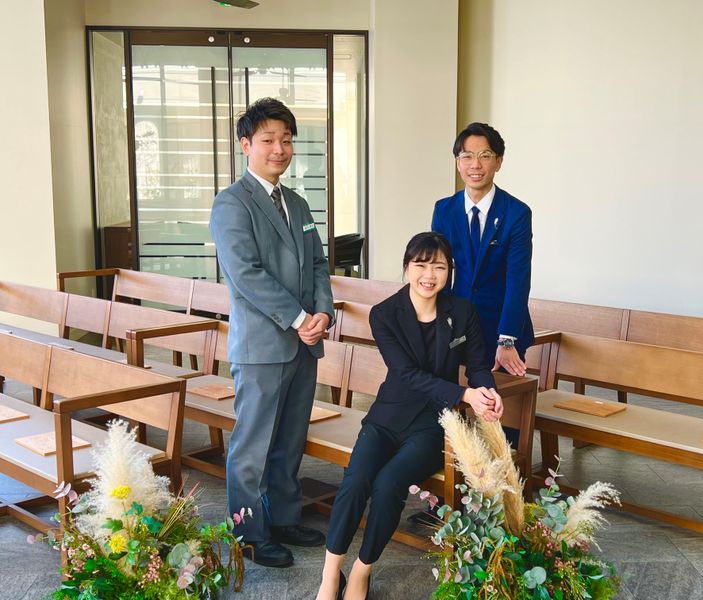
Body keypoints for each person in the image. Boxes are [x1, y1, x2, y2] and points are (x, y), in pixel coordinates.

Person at [315, 232, 504, 600]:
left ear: (450, 271)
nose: (429, 275)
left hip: (434, 424)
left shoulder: (462, 312)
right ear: (406, 267)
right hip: (388, 416)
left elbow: (478, 366)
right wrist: (464, 393)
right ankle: (330, 573)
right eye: (421, 265)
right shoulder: (384, 313)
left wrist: (486, 390)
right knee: (356, 481)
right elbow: (405, 373)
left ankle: (361, 570)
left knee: (389, 484)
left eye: (439, 267)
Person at [209, 97, 334, 568]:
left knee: (290, 439)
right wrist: (300, 319)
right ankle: (248, 533)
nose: (279, 149)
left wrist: (323, 313)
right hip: (263, 347)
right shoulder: (231, 203)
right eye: (268, 140)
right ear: (246, 145)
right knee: (253, 445)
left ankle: (282, 518)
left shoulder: (297, 203)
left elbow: (318, 264)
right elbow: (246, 273)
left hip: (305, 343)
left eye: (286, 140)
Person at [431, 122, 534, 377]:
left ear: (498, 162)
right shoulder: (444, 210)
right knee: (451, 397)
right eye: (467, 156)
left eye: (485, 156)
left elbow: (518, 279)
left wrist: (507, 339)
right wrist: (438, 325)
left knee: (499, 400)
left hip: (501, 329)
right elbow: (439, 272)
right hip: (456, 328)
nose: (475, 165)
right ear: (458, 163)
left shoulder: (517, 213)